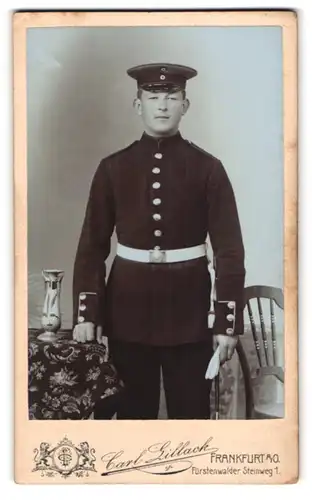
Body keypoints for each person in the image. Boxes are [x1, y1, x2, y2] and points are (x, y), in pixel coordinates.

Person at [72, 63, 245, 419]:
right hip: (127, 313)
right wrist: (86, 313)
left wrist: (226, 324)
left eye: (172, 97)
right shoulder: (112, 168)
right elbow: (92, 247)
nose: (163, 105)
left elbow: (229, 251)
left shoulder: (208, 168)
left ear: (185, 105)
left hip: (190, 315)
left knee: (191, 419)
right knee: (134, 418)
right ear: (139, 105)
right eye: (153, 97)